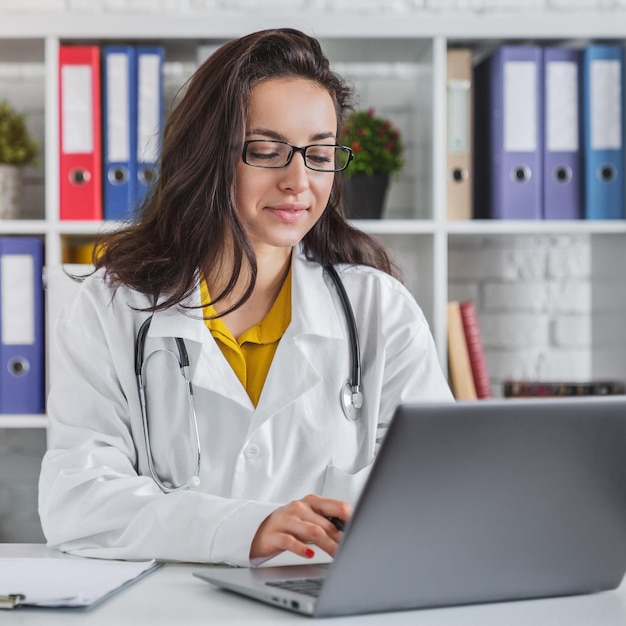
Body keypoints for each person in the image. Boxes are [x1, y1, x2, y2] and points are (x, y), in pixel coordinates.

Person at [38, 28, 453, 567]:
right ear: (208, 155)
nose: (298, 181)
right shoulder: (112, 308)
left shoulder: (379, 311)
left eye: (320, 154)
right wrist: (245, 528)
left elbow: (435, 489)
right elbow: (78, 499)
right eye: (265, 151)